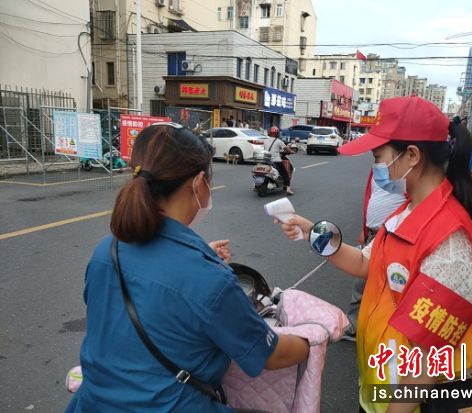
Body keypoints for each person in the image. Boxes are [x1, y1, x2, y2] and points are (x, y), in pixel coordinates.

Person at [66, 123, 309, 412]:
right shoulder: (210, 280)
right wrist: (312, 337)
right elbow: (271, 355)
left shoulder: (106, 251)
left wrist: (200, 257)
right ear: (198, 184)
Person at [278, 96, 472, 413]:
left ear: (412, 156)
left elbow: (429, 356)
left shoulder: (448, 237)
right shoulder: (407, 212)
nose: (375, 167)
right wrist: (313, 232)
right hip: (380, 389)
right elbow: (365, 263)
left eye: (378, 157)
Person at [342, 168, 406, 342]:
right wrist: (365, 228)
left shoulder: (407, 172)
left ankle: (365, 329)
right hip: (373, 233)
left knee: (374, 283)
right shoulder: (377, 170)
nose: (376, 160)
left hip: (391, 234)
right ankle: (359, 326)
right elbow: (372, 198)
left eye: (378, 154)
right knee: (364, 282)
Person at [264, 125, 295, 196]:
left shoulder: (265, 141)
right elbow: (286, 149)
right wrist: (292, 152)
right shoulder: (279, 141)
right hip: (276, 161)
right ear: (277, 133)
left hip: (266, 160)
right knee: (285, 173)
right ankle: (288, 189)